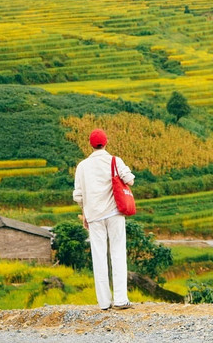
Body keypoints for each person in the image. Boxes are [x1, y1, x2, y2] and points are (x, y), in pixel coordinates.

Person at [72, 127, 135, 310]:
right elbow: (130, 180)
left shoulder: (82, 166)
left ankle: (104, 303)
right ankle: (121, 300)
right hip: (114, 213)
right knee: (117, 253)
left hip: (93, 217)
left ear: (90, 145)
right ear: (106, 142)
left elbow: (78, 196)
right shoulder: (114, 161)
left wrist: (85, 214)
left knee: (98, 256)